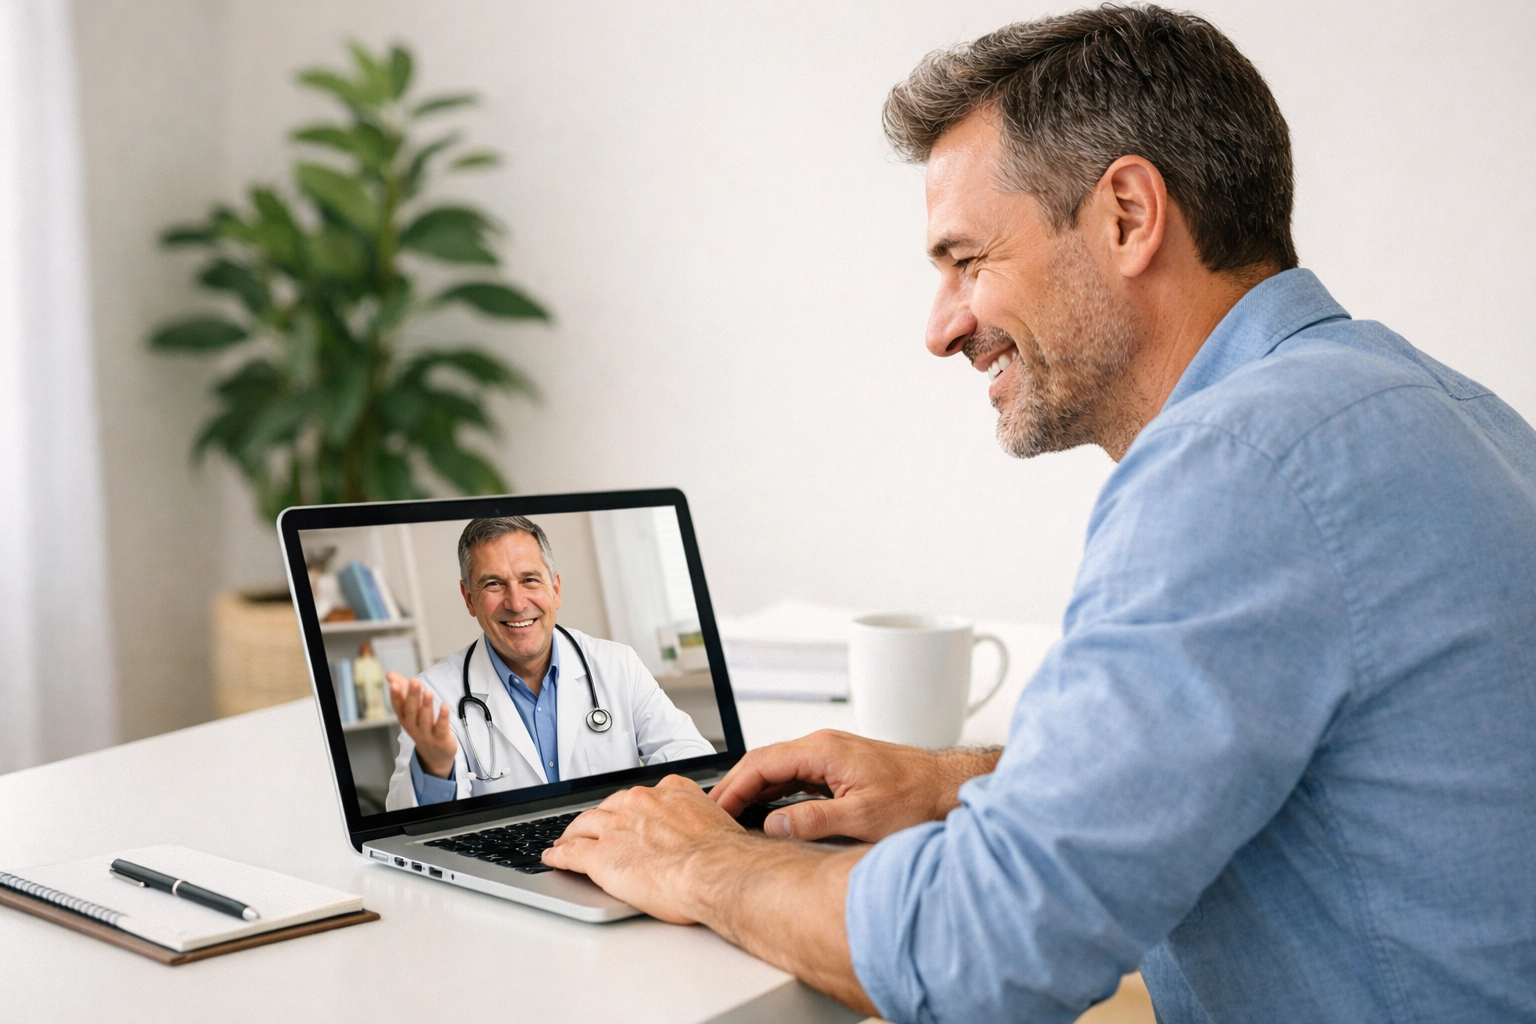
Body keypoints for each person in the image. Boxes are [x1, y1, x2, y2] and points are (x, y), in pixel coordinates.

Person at [538, 7, 1536, 1023]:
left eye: (968, 260)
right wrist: (953, 784)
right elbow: (1280, 754)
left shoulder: (1236, 464)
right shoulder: (1453, 416)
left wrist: (706, 863)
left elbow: (987, 949)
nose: (940, 328)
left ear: (1128, 216)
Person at [383, 516, 713, 810]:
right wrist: (436, 766)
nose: (516, 602)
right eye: (494, 584)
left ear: (555, 589)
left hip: (617, 845)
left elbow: (692, 758)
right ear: (469, 598)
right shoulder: (435, 694)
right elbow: (408, 823)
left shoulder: (617, 665)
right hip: (508, 858)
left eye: (529, 580)